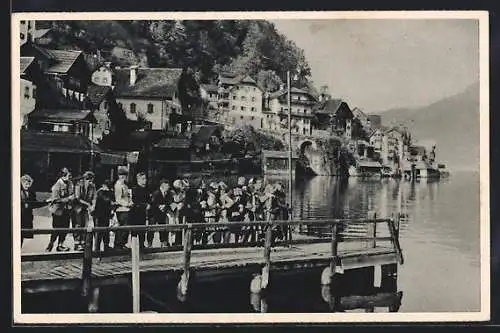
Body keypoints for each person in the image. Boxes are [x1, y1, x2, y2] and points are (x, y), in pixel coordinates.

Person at [46, 168, 74, 252]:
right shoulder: (57, 186)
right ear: (63, 175)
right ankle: (50, 244)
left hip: (66, 210)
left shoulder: (70, 183)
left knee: (65, 228)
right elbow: (55, 199)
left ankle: (60, 245)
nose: (70, 177)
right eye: (69, 175)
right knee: (56, 229)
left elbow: (72, 193)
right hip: (58, 210)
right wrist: (68, 199)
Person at [20, 174, 47, 247]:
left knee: (22, 236)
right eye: (25, 183)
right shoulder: (15, 191)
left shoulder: (31, 193)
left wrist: (45, 202)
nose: (27, 185)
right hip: (18, 217)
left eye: (29, 184)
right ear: (21, 182)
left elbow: (35, 204)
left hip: (27, 218)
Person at [72, 171, 96, 251]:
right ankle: (77, 243)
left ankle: (83, 242)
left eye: (92, 181)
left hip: (85, 209)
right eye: (89, 180)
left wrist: (93, 205)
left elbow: (94, 197)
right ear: (85, 179)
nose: (90, 182)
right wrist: (88, 204)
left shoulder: (92, 186)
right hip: (78, 208)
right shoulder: (79, 185)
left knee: (85, 225)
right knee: (78, 225)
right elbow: (78, 198)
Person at [148, 179, 172, 248]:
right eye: (167, 185)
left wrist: (165, 206)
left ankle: (163, 242)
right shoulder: (156, 193)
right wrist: (159, 206)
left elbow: (169, 202)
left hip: (162, 213)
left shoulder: (168, 193)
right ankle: (149, 243)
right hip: (153, 213)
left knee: (163, 228)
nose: (168, 186)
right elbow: (152, 203)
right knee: (151, 228)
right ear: (163, 185)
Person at [130, 172, 151, 249]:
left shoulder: (146, 190)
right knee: (135, 230)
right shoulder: (135, 189)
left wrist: (148, 204)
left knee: (142, 230)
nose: (145, 180)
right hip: (135, 212)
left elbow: (149, 200)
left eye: (145, 178)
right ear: (138, 180)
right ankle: (134, 246)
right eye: (143, 179)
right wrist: (145, 205)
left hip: (143, 213)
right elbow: (135, 201)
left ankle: (142, 245)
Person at [114, 166, 133, 249]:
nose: (122, 177)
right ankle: (118, 243)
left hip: (127, 208)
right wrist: (126, 204)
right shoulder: (118, 185)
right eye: (121, 175)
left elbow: (128, 196)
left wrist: (130, 201)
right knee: (122, 227)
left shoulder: (125, 185)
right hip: (121, 209)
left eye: (124, 175)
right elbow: (118, 199)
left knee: (126, 227)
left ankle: (123, 243)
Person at [92, 179, 114, 252]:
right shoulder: (100, 192)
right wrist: (112, 202)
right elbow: (106, 200)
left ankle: (106, 246)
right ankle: (97, 248)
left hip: (106, 214)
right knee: (98, 232)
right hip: (98, 215)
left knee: (106, 231)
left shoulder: (108, 192)